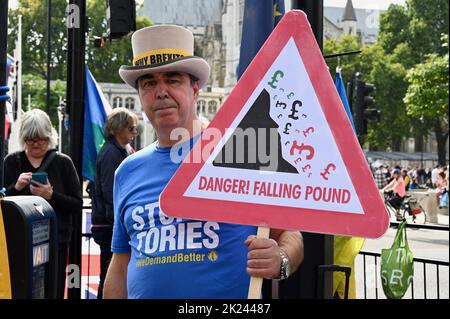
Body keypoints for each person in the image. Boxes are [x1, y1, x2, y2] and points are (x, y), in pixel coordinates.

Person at [103, 25, 304, 299]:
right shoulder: (127, 171)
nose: (160, 92)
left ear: (195, 88)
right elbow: (121, 265)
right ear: (140, 95)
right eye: (149, 83)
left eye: (172, 80)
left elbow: (290, 234)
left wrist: (280, 261)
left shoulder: (241, 153)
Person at [4, 109, 82, 299]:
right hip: (19, 242)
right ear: (24, 138)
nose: (36, 143)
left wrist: (51, 195)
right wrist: (15, 187)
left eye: (41, 138)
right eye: (31, 139)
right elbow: (2, 202)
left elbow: (77, 204)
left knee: (52, 290)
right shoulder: (12, 162)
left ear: (50, 136)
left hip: (56, 242)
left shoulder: (63, 162)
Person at [91, 107, 138, 299]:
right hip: (109, 225)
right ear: (119, 129)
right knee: (110, 276)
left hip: (109, 223)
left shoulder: (115, 151)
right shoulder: (112, 154)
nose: (134, 133)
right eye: (131, 129)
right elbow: (112, 193)